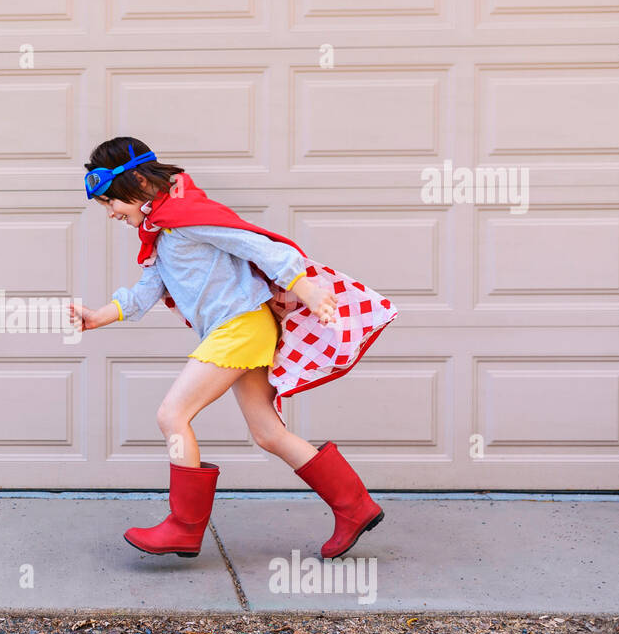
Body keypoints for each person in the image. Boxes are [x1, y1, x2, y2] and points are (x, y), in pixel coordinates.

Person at [69, 137, 397, 560]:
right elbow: (147, 290)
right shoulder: (162, 234)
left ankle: (183, 527)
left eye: (112, 201)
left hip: (239, 327)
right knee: (268, 433)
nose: (112, 212)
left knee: (172, 415)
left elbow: (260, 247)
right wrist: (98, 316)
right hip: (240, 329)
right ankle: (355, 507)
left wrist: (309, 291)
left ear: (139, 182)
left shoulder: (187, 219)